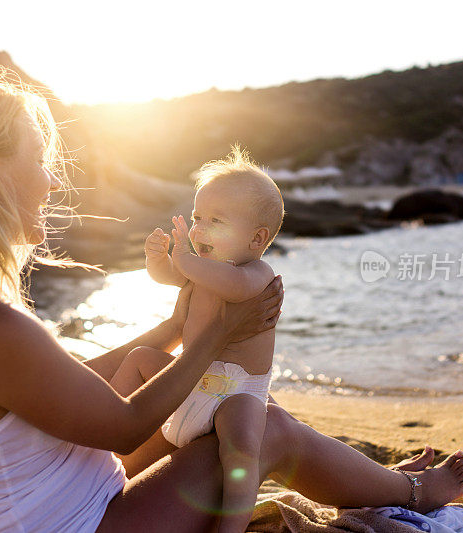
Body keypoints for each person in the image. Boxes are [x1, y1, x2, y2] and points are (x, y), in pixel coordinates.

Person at [0, 66, 463, 533]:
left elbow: (59, 391)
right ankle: (414, 494)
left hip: (67, 502)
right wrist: (216, 331)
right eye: (41, 163)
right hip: (83, 522)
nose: (52, 182)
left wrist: (172, 327)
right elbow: (123, 423)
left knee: (244, 420)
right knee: (268, 431)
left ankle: (387, 484)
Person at [137, 148, 282, 532]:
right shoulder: (199, 267)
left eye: (216, 221)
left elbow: (234, 290)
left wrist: (186, 259)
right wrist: (158, 260)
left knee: (242, 452)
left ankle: (231, 526)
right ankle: (110, 451)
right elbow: (169, 275)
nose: (200, 229)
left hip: (237, 393)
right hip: (191, 383)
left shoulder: (255, 272)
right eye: (198, 217)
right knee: (141, 358)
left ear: (257, 239)